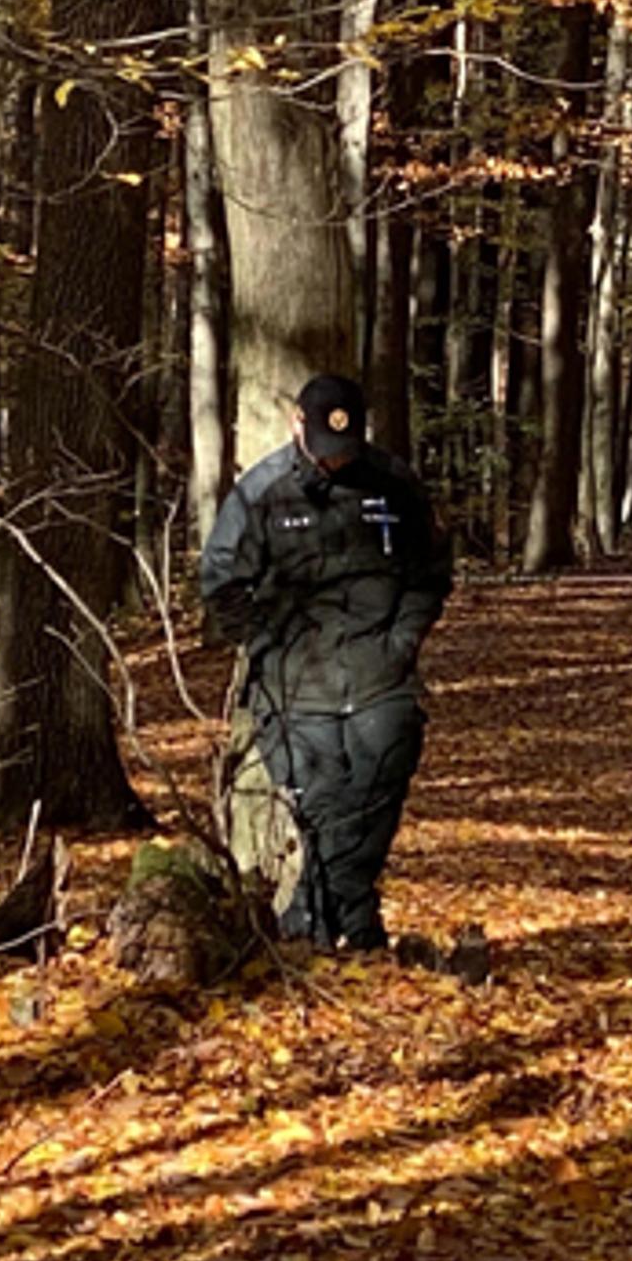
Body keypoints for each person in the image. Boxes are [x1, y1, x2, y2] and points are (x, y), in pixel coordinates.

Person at [200, 373, 453, 952]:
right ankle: (348, 933)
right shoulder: (262, 493)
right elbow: (220, 582)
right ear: (297, 426)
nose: (336, 461)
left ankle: (318, 927)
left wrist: (402, 641)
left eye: (346, 447)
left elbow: (432, 572)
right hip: (295, 691)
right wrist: (267, 646)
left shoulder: (395, 486)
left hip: (380, 678)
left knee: (376, 804)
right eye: (324, 448)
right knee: (323, 810)